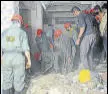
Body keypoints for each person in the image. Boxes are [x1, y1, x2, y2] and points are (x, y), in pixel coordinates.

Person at [1, 14, 31, 94]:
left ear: (12, 22)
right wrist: (29, 61)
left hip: (5, 58)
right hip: (18, 58)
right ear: (20, 22)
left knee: (6, 81)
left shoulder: (4, 32)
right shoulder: (22, 33)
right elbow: (26, 49)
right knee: (19, 81)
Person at [71, 6, 97, 71]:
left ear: (76, 11)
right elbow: (93, 21)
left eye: (73, 14)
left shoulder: (80, 15)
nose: (74, 15)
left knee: (82, 54)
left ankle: (87, 71)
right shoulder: (86, 14)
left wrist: (78, 38)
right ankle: (91, 70)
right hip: (93, 35)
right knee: (89, 54)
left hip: (88, 35)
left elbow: (83, 27)